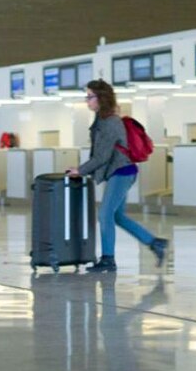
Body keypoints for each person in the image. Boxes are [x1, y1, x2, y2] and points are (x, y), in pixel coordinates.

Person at [67, 80, 167, 272]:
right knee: (117, 216)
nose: (87, 100)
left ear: (101, 98)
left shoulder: (110, 122)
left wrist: (81, 170)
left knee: (105, 214)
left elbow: (102, 156)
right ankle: (155, 243)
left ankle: (108, 259)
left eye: (90, 96)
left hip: (122, 172)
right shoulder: (102, 119)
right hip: (120, 172)